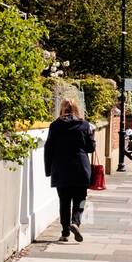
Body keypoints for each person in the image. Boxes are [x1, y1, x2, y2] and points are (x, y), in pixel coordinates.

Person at [43, 98, 96, 242]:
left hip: (61, 169)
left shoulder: (54, 126)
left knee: (64, 201)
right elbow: (90, 148)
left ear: (62, 109)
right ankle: (75, 222)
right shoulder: (84, 125)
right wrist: (92, 135)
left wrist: (48, 170)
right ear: (77, 109)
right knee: (81, 199)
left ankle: (65, 232)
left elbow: (49, 149)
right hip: (81, 168)